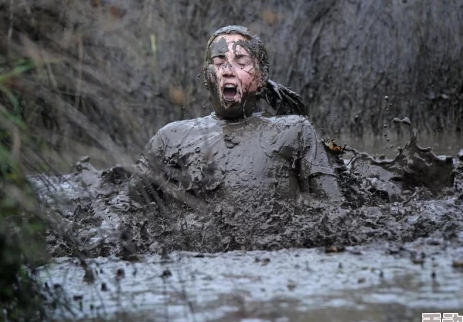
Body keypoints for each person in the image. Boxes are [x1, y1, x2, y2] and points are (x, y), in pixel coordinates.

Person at [131, 25, 342, 212]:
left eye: (241, 62)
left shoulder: (294, 131)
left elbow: (333, 210)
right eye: (219, 61)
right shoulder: (171, 138)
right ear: (206, 76)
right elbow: (125, 211)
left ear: (261, 77)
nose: (228, 70)